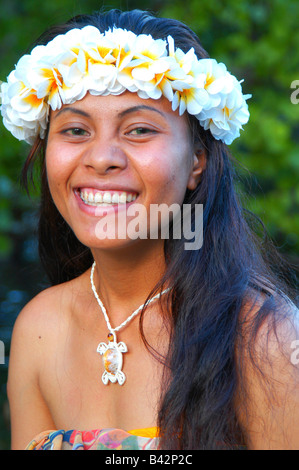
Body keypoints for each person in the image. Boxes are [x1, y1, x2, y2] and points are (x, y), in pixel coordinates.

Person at [1, 8, 298, 451]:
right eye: (76, 130)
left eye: (139, 129)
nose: (102, 158)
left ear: (197, 161)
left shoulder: (268, 340)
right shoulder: (38, 329)